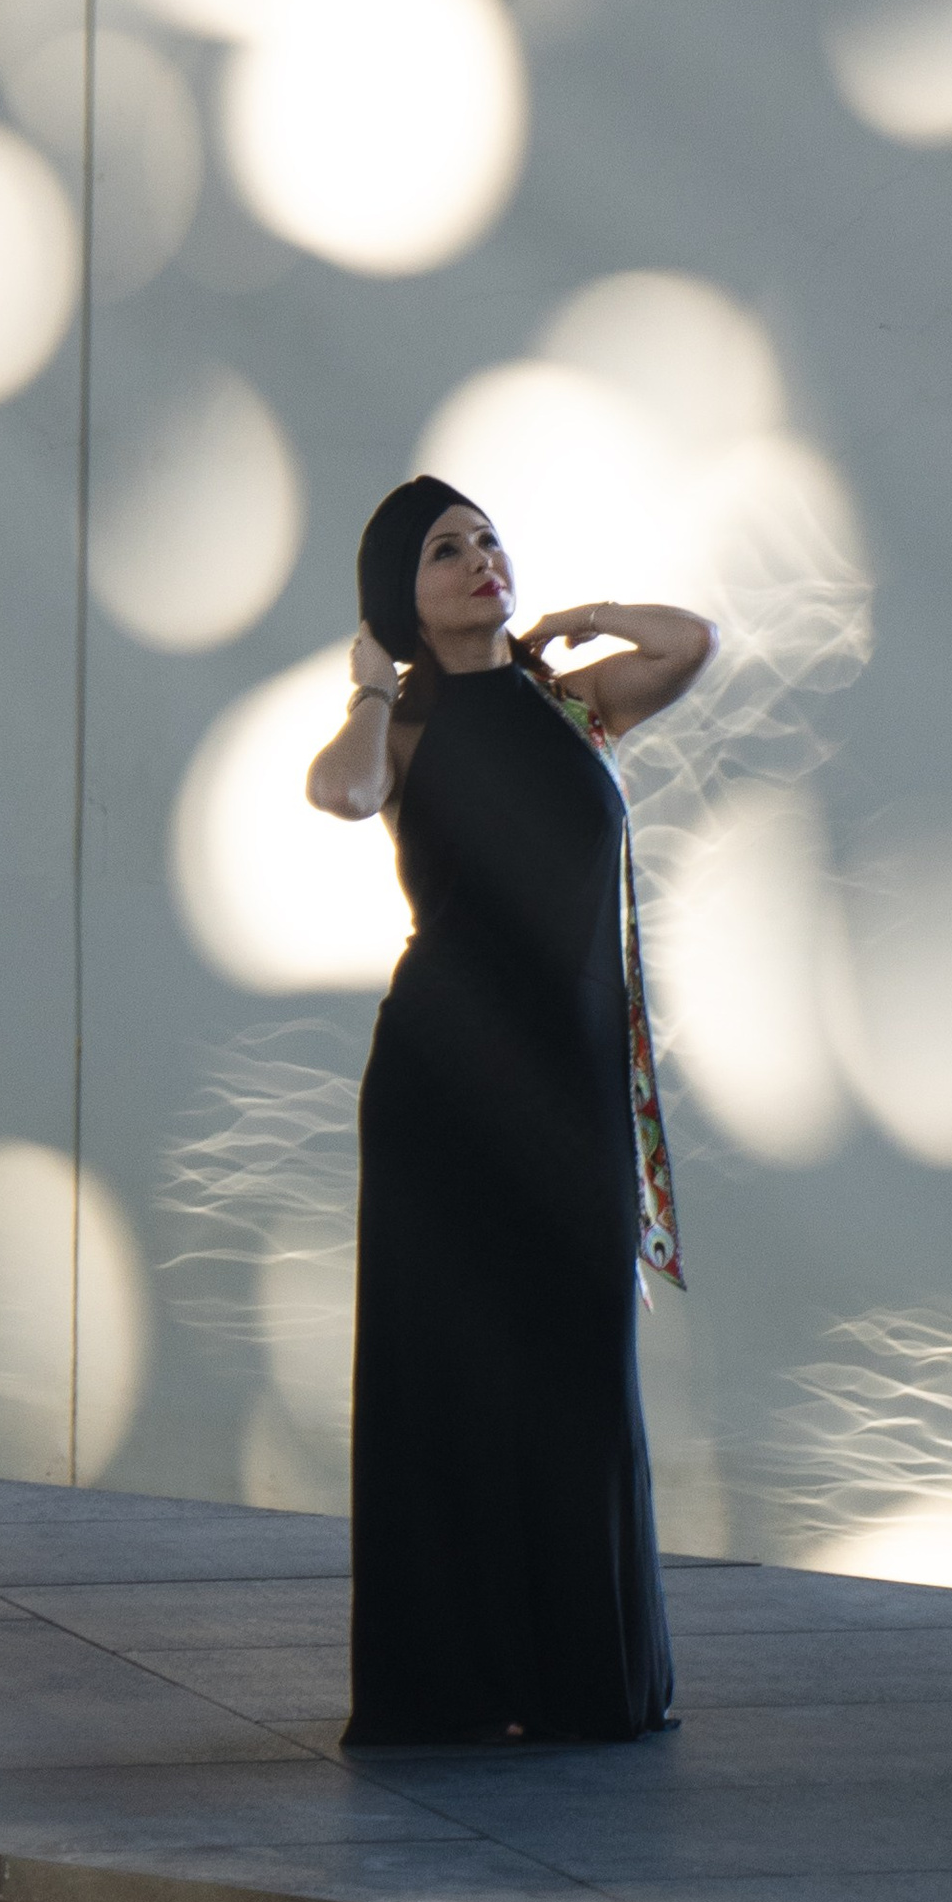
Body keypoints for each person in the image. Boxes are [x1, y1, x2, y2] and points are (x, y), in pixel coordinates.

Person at [306, 477, 713, 1745]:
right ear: (398, 593)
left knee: (580, 1370)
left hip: (570, 1076)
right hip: (445, 1084)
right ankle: (452, 1688)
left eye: (487, 539)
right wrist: (376, 680)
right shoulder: (407, 723)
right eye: (444, 549)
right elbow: (345, 795)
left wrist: (586, 614)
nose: (480, 560)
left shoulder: (568, 702)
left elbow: (687, 645)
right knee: (452, 1374)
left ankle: (585, 1683)